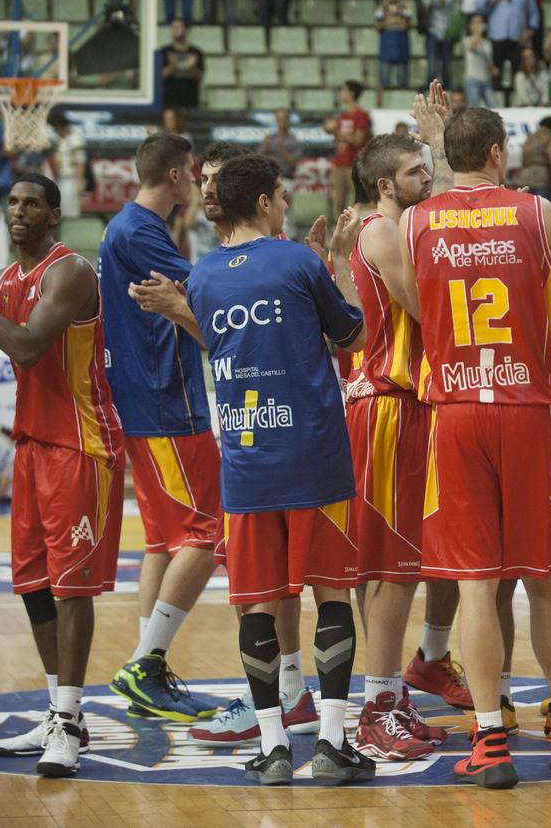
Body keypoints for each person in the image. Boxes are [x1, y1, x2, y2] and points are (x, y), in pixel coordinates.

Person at [397, 107, 551, 789]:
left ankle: (488, 739)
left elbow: (419, 304)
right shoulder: (535, 212)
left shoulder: (416, 220)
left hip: (455, 408)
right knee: (544, 580)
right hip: (527, 409)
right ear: (496, 150)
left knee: (478, 586)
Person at [185, 153, 371, 785]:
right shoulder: (296, 260)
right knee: (332, 592)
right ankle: (333, 742)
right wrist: (338, 264)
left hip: (245, 459)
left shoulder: (201, 278)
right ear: (264, 202)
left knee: (258, 605)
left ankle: (271, 749)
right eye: (283, 197)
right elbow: (350, 335)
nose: (286, 206)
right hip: (313, 453)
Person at [0, 174, 125, 777]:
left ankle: (69, 722)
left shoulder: (70, 272)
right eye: (12, 202)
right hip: (33, 446)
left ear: (54, 213)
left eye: (31, 203)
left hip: (81, 444)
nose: (19, 211)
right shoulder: (4, 282)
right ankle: (58, 712)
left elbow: (25, 347)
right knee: (34, 585)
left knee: (72, 587)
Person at [336, 129, 457, 761]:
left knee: (383, 565)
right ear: (385, 185)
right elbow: (428, 306)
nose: (427, 180)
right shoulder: (383, 233)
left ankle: (384, 694)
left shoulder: (380, 230)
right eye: (415, 173)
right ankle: (377, 710)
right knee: (392, 568)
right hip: (391, 405)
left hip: (389, 406)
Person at [95, 132, 224, 724]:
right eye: (193, 173)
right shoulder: (139, 230)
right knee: (208, 531)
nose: (197, 181)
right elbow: (208, 291)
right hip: (166, 403)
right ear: (176, 175)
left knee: (161, 541)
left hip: (143, 402)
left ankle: (146, 666)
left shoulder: (123, 226)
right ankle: (147, 662)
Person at [480, 0, 539, 95]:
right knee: (495, 73)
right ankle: (496, 104)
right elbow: (480, 8)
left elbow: (534, 13)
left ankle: (517, 102)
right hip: (497, 36)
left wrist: (530, 30)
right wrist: (490, 0)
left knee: (517, 72)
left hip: (517, 37)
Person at [326, 80, 371, 218]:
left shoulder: (361, 115)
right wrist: (331, 130)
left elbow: (358, 140)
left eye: (343, 90)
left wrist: (336, 131)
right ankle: (338, 232)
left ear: (351, 93)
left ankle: (356, 232)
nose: (340, 93)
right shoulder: (343, 116)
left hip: (354, 165)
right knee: (338, 203)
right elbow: (339, 140)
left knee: (356, 202)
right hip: (340, 165)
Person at [374, 0, 413, 103]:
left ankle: (403, 101)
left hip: (401, 43)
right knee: (384, 78)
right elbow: (377, 26)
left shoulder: (404, 7)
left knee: (402, 79)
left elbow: (409, 24)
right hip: (387, 44)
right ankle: (385, 102)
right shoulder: (381, 8)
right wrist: (388, 23)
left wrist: (398, 22)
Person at [422, 0, 460, 90]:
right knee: (432, 66)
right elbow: (426, 2)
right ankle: (430, 92)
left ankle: (447, 92)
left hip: (447, 34)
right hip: (433, 33)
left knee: (446, 67)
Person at [160, 19, 205, 110]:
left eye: (179, 27)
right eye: (173, 27)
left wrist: (191, 68)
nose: (176, 30)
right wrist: (173, 66)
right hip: (169, 102)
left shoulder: (196, 52)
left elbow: (200, 77)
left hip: (190, 102)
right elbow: (160, 76)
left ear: (186, 30)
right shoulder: (164, 52)